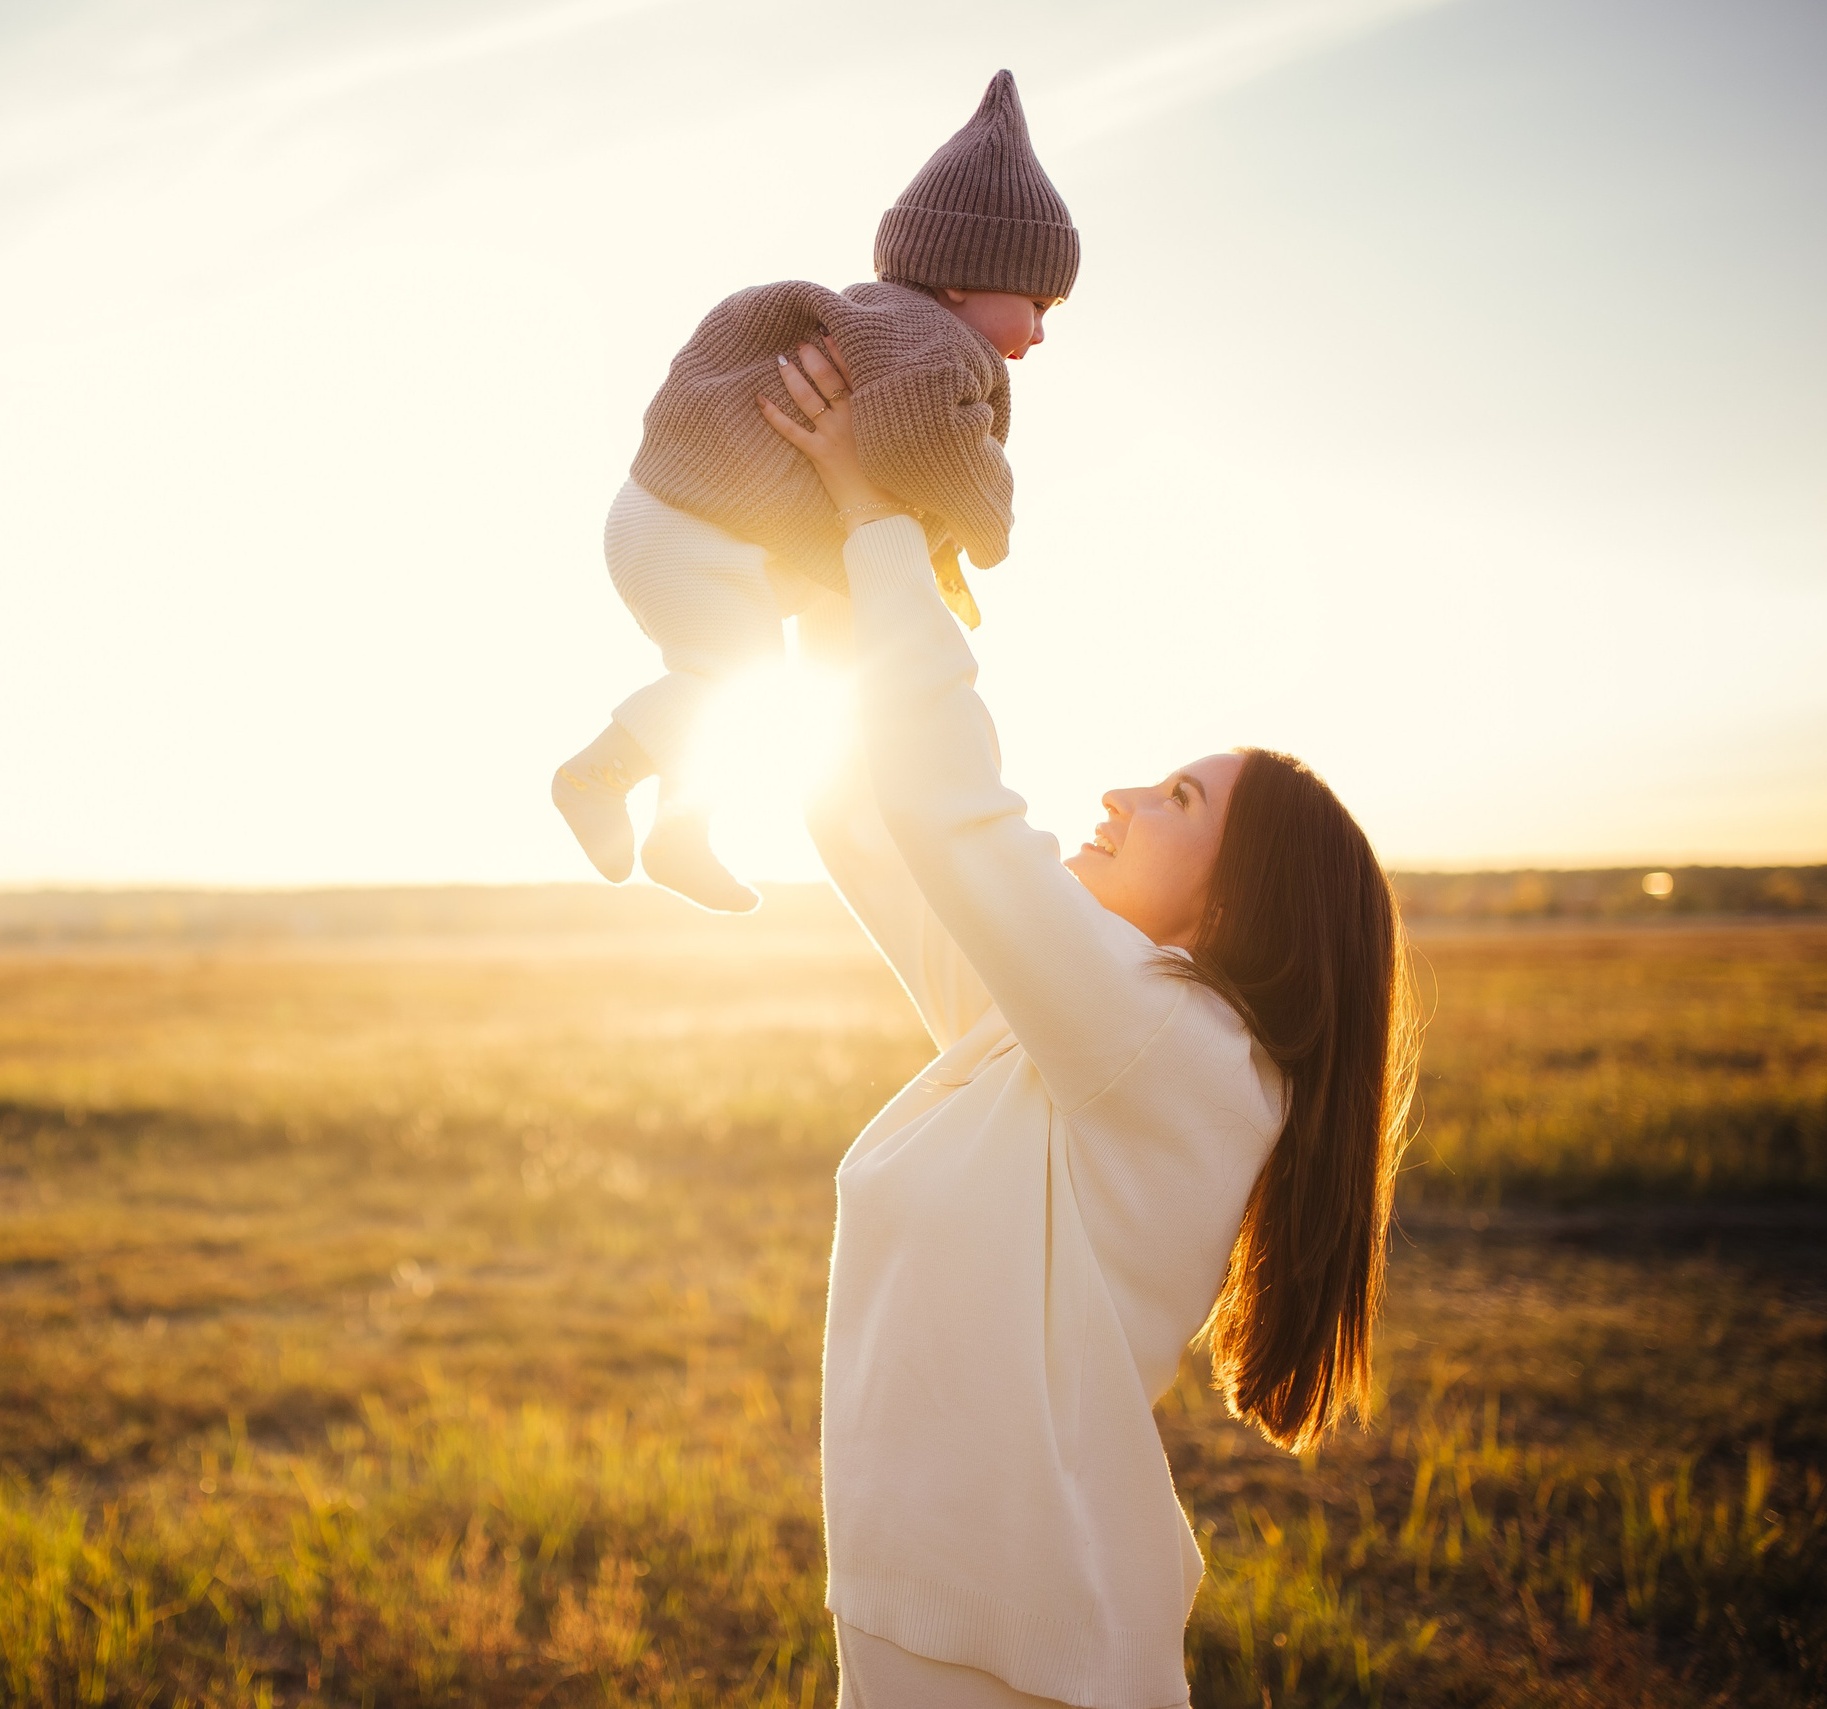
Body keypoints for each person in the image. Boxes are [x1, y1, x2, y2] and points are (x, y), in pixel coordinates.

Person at [760, 340, 1423, 1708]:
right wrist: (836, 570)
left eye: (1177, 798)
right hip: (924, 1625)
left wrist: (880, 524)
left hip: (1023, 1658)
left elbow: (956, 813)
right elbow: (872, 822)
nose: (1119, 795)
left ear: (1240, 901)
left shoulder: (1177, 1051)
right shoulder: (1064, 1044)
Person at [553, 69, 1073, 914]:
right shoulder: (935, 345)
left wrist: (931, 554)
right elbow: (925, 445)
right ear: (960, 280)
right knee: (736, 679)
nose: (1043, 333)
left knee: (735, 677)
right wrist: (988, 524)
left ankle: (681, 829)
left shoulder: (880, 326)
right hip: (697, 531)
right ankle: (594, 775)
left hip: (672, 518)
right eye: (1039, 303)